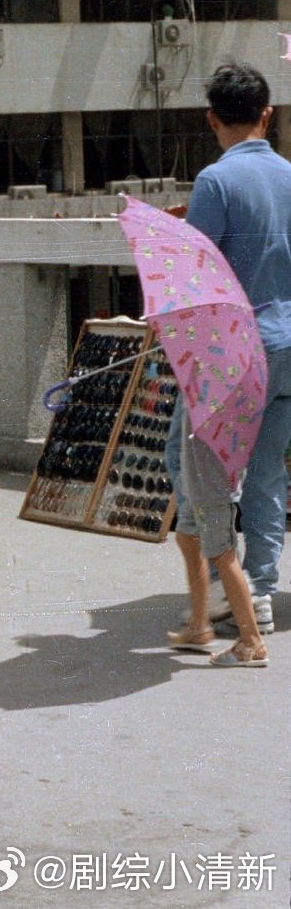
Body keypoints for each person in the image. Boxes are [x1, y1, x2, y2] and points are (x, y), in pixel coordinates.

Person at [183, 62, 291, 646]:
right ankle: (263, 591)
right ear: (267, 115)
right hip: (289, 344)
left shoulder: (215, 181)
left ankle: (228, 592)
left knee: (204, 468)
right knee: (268, 471)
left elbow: (197, 274)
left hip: (237, 351)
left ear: (211, 119)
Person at [164, 405, 267, 667]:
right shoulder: (205, 387)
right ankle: (198, 626)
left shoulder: (219, 391)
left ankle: (252, 642)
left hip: (212, 484)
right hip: (198, 480)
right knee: (187, 537)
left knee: (222, 553)